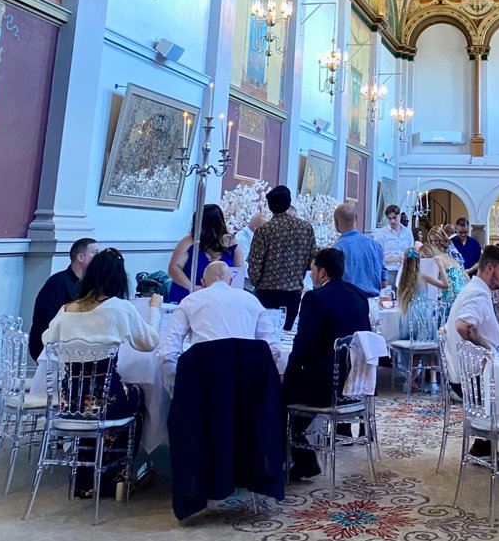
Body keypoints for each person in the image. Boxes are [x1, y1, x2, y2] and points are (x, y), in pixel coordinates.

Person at [41, 248, 161, 496]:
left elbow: (47, 340)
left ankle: (85, 479)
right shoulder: (118, 308)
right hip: (106, 400)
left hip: (69, 401)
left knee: (93, 411)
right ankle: (115, 475)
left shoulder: (66, 310)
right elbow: (149, 342)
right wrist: (154, 310)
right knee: (138, 396)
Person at [281, 247, 371, 481]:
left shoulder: (315, 298)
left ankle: (295, 460)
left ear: (322, 272)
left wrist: (288, 375)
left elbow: (303, 344)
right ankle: (303, 456)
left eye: (311, 269)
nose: (310, 274)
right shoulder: (359, 295)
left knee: (276, 395)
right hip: (356, 385)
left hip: (327, 387)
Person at [159, 261, 279, 394]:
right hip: (247, 389)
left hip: (203, 387)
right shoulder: (252, 301)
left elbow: (167, 354)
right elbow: (273, 348)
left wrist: (177, 391)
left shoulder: (189, 302)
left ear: (203, 283)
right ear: (231, 281)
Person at [247, 185, 316, 329]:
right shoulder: (306, 228)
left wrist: (257, 283)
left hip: (266, 292)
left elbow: (254, 266)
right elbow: (312, 260)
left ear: (270, 206)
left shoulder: (263, 231)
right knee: (286, 333)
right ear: (288, 202)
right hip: (293, 292)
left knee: (265, 333)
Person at [445, 244, 499, 382]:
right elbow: (462, 325)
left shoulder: (473, 288)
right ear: (489, 268)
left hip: (469, 375)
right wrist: (488, 350)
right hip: (476, 380)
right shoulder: (478, 293)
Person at [29, 237, 99, 360]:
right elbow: (46, 318)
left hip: (82, 342)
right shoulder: (57, 282)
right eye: (95, 253)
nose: (99, 258)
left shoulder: (93, 284)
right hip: (54, 345)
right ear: (81, 257)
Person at [167, 204, 244, 305]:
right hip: (188, 296)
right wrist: (192, 287)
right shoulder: (188, 241)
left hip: (221, 299)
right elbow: (173, 268)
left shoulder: (232, 242)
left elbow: (239, 274)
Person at [333, 203, 385, 297]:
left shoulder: (337, 248)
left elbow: (332, 283)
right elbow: (384, 281)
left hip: (349, 302)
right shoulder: (376, 245)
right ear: (356, 218)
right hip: (373, 302)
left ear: (336, 222)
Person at [396, 245, 448, 338]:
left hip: (407, 314)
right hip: (422, 315)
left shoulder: (402, 279)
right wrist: (440, 265)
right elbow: (445, 285)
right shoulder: (423, 277)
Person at [426, 228, 469, 309]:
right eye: (431, 241)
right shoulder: (434, 251)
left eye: (436, 240)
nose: (434, 243)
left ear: (441, 239)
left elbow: (460, 267)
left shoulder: (450, 250)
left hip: (453, 281)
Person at [376, 203, 414, 289]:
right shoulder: (381, 233)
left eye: (394, 218)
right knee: (389, 298)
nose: (392, 221)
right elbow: (378, 256)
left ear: (399, 216)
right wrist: (396, 259)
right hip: (388, 271)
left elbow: (411, 251)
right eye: (389, 219)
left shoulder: (408, 233)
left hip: (404, 271)